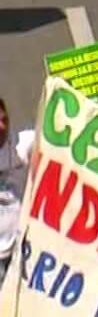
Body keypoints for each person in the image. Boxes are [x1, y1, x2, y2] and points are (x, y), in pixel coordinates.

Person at [0, 96, 33, 284]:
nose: (2, 126)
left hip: (18, 249)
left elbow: (60, 139)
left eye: (4, 119)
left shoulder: (23, 143)